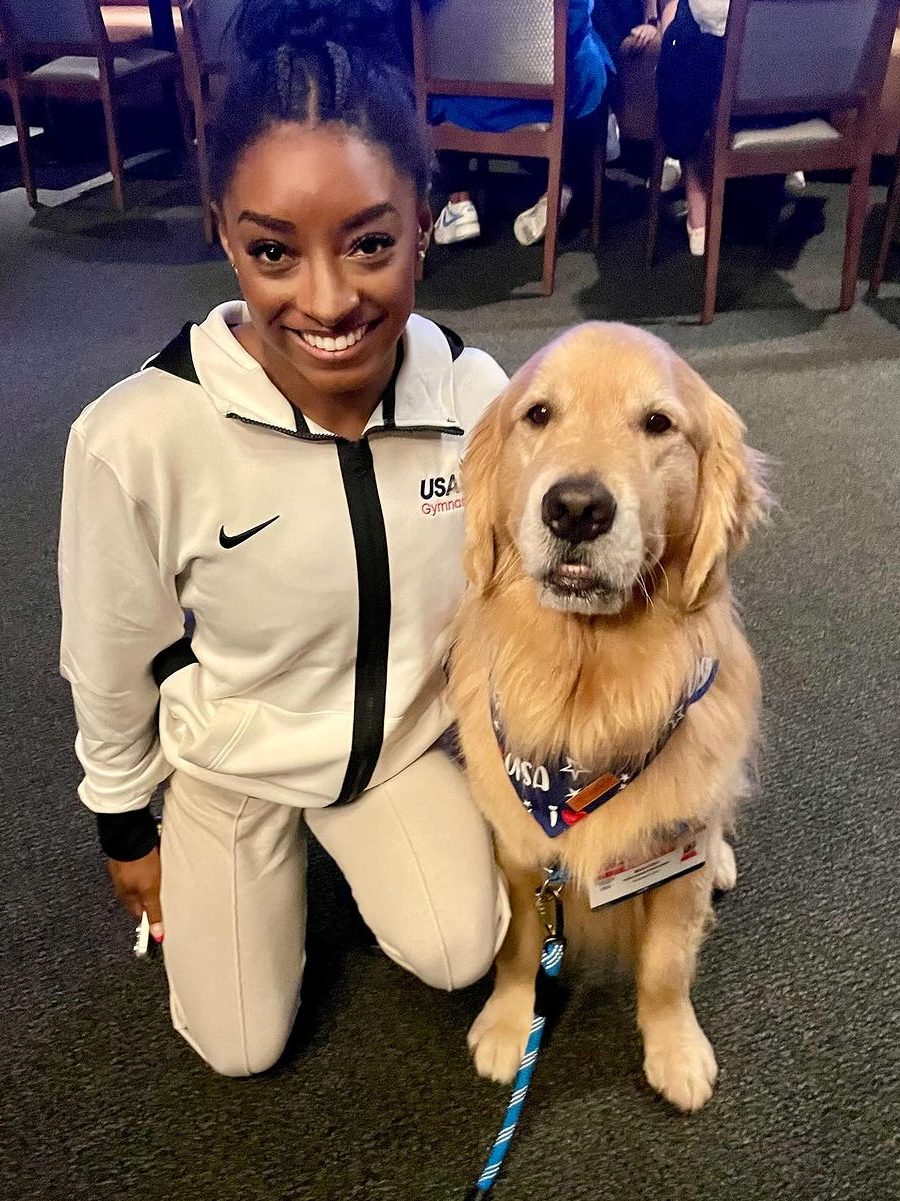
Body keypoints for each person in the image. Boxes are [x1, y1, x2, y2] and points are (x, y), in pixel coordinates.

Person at [58, 0, 511, 1078]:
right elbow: (111, 655)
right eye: (273, 250)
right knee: (240, 1048)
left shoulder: (475, 397)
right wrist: (125, 825)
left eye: (369, 244)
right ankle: (238, 855)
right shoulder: (137, 437)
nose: (326, 300)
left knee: (465, 948)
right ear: (224, 231)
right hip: (235, 764)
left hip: (396, 749)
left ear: (425, 220)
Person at [428, 0, 615, 247]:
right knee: (590, 69)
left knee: (436, 74)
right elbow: (575, 25)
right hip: (544, 106)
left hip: (462, 105)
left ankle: (458, 199)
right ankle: (561, 189)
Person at [656, 0, 804, 255]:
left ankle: (696, 193)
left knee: (685, 44)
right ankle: (785, 165)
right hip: (806, 93)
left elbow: (712, 16)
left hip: (728, 86)